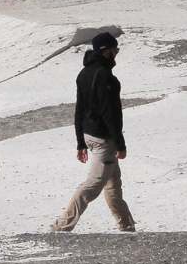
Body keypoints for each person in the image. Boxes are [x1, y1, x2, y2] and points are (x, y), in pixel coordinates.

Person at [52, 32, 136, 233]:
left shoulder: (84, 73)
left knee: (113, 184)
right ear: (105, 50)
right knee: (94, 185)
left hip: (90, 136)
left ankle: (127, 227)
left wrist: (80, 142)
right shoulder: (104, 76)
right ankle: (62, 225)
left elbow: (79, 109)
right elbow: (110, 113)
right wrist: (120, 143)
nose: (116, 53)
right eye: (115, 49)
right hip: (104, 140)